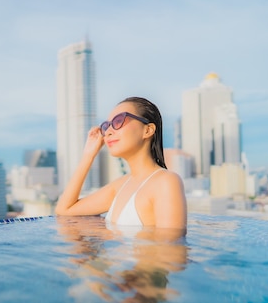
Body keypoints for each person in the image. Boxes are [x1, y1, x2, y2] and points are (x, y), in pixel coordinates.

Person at [55, 96, 187, 237]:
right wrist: (88, 155)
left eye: (119, 121)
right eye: (106, 126)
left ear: (147, 130)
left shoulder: (165, 182)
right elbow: (64, 210)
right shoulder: (121, 185)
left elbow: (172, 253)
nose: (109, 132)